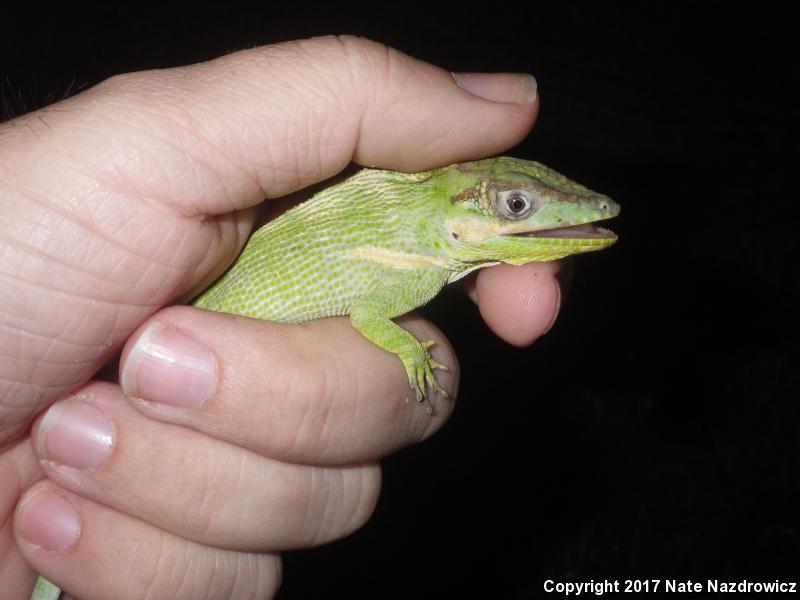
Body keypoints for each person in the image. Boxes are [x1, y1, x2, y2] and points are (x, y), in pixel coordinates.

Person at [0, 36, 568, 599]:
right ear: (459, 210)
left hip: (122, 396)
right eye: (515, 206)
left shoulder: (419, 248)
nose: (524, 215)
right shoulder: (416, 267)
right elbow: (371, 314)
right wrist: (409, 352)